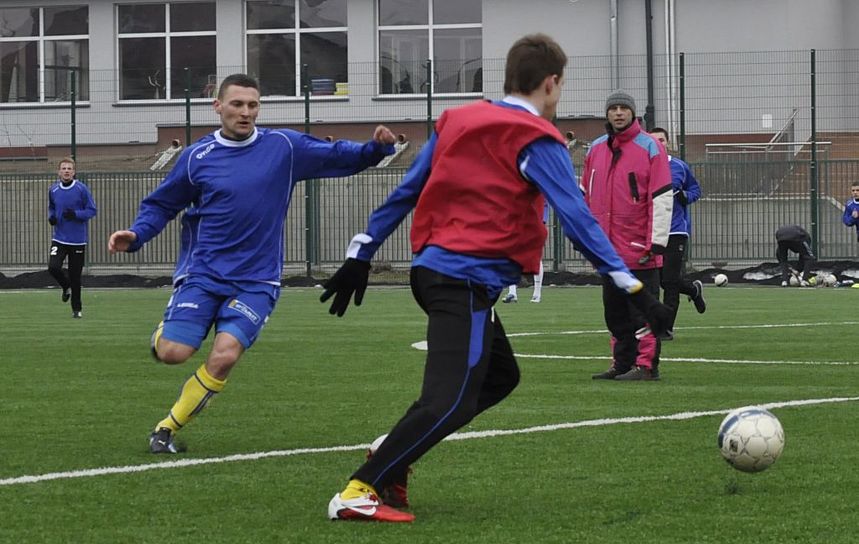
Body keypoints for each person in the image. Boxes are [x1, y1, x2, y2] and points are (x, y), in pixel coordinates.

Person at [319, 34, 670, 523]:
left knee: (500, 376)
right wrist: (633, 287)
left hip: (434, 272)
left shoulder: (457, 120)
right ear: (551, 83)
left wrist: (362, 252)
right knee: (449, 398)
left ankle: (393, 451)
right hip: (463, 278)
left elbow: (407, 189)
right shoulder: (536, 138)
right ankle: (359, 491)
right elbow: (576, 217)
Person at [108, 73, 396, 454]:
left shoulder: (284, 147)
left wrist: (376, 150)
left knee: (224, 355)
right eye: (237, 104)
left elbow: (338, 156)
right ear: (218, 107)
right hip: (204, 273)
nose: (246, 113)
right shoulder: (197, 158)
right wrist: (137, 234)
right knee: (173, 353)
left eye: (253, 105)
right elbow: (163, 203)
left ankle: (166, 427)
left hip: (257, 281)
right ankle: (164, 335)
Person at [582, 90, 673, 381]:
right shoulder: (595, 148)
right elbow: (585, 196)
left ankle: (646, 366)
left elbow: (661, 197)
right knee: (614, 312)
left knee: (641, 312)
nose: (618, 113)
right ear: (607, 114)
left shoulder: (649, 147)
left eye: (624, 108)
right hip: (607, 249)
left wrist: (656, 242)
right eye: (614, 108)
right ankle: (621, 363)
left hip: (638, 247)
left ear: (633, 113)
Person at [649, 127, 705, 339]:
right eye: (653, 141)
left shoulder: (680, 167)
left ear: (668, 143)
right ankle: (693, 290)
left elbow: (696, 190)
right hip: (650, 231)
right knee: (659, 281)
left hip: (675, 231)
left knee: (670, 281)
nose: (658, 144)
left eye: (661, 140)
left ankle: (665, 328)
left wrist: (684, 196)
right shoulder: (642, 167)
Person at [47, 157, 97, 319]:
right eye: (64, 168)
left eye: (69, 168)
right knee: (53, 267)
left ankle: (77, 309)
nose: (66, 171)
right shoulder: (53, 189)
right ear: (59, 172)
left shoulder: (82, 189)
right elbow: (52, 208)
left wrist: (76, 214)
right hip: (59, 238)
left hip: (77, 240)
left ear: (74, 172)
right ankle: (65, 286)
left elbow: (91, 210)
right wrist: (52, 217)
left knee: (76, 276)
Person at [502, 203, 549, 303]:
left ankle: (537, 294)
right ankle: (512, 292)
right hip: (518, 222)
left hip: (535, 222)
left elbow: (545, 203)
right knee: (512, 255)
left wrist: (543, 220)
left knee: (535, 256)